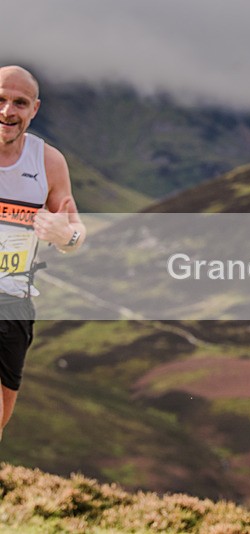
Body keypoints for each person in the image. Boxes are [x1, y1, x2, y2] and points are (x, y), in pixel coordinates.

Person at [0, 66, 85, 442]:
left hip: (14, 302)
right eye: (0, 100)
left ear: (34, 109)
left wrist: (66, 236)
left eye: (19, 103)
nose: (7, 111)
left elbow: (76, 233)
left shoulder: (48, 162)